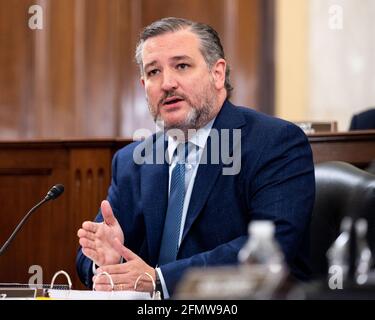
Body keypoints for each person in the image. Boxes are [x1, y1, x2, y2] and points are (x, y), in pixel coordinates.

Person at [76, 17, 315, 299]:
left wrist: (160, 280)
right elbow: (89, 255)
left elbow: (271, 248)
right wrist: (107, 260)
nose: (167, 83)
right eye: (154, 72)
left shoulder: (274, 143)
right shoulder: (133, 160)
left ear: (217, 73)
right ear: (144, 86)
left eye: (182, 66)